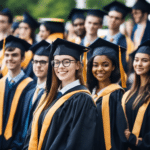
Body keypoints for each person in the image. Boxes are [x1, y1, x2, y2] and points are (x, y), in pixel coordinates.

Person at [23, 38, 98, 150]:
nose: (60, 66)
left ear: (78, 65)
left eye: (66, 61)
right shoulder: (48, 96)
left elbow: (79, 142)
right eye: (56, 62)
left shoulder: (83, 100)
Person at [87, 38, 126, 150]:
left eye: (105, 65)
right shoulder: (89, 93)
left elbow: (119, 131)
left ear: (113, 67)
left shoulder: (116, 94)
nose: (99, 69)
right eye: (95, 65)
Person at [0, 35, 35, 150]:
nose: (10, 58)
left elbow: (27, 123)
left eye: (14, 55)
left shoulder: (31, 87)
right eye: (7, 55)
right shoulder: (0, 84)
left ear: (23, 58)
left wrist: (16, 146)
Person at [121, 40, 150, 150]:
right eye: (136, 60)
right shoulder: (128, 93)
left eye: (145, 60)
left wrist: (134, 140)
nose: (138, 64)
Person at [23, 40, 50, 132]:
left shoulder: (52, 94)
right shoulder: (29, 92)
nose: (38, 65)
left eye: (43, 62)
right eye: (35, 61)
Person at [103, 1, 132, 72]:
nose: (113, 20)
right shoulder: (101, 39)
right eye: (111, 17)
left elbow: (129, 66)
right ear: (107, 17)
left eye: (117, 18)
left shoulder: (128, 43)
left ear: (122, 21)